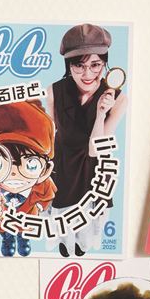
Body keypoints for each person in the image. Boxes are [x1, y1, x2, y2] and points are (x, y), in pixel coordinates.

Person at [43, 23, 128, 257]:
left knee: (89, 225)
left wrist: (101, 114)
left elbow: (95, 150)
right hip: (62, 166)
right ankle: (65, 243)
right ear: (69, 65)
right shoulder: (54, 92)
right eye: (79, 66)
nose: (88, 74)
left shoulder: (119, 99)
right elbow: (51, 135)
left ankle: (82, 246)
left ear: (105, 64)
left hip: (93, 168)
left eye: (95, 65)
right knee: (62, 223)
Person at [0, 100, 56, 256]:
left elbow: (48, 193)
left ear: (45, 171)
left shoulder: (42, 184)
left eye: (30, 164)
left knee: (24, 231)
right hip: (2, 223)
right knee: (4, 230)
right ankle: (7, 238)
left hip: (27, 221)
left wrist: (40, 208)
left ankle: (23, 238)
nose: (13, 173)